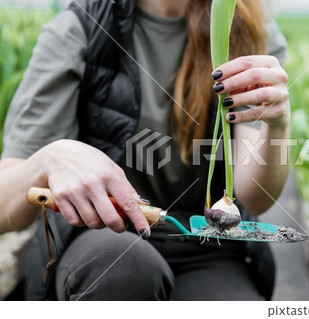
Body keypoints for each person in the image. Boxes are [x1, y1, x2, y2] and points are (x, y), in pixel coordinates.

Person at [0, 0, 290, 301]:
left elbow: (254, 198)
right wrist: (49, 159)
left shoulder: (245, 27)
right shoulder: (83, 26)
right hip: (100, 240)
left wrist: (278, 124)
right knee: (127, 270)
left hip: (205, 246)